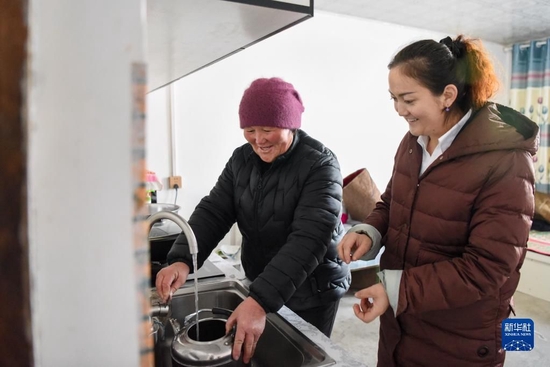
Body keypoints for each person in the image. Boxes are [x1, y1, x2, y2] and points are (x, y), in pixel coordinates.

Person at [337, 35, 539, 366]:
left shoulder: (506, 161)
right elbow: (392, 201)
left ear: (447, 95)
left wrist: (394, 289)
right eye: (394, 99)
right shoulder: (413, 141)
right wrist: (369, 231)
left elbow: (487, 267)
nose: (399, 111)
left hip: (461, 335)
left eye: (408, 99)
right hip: (401, 322)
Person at [156, 77, 351, 364]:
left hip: (311, 290)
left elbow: (309, 239)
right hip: (263, 283)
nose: (258, 139)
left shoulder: (320, 164)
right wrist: (183, 259)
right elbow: (215, 210)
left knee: (297, 361)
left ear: (291, 124)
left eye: (268, 130)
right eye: (249, 130)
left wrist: (260, 300)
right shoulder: (241, 160)